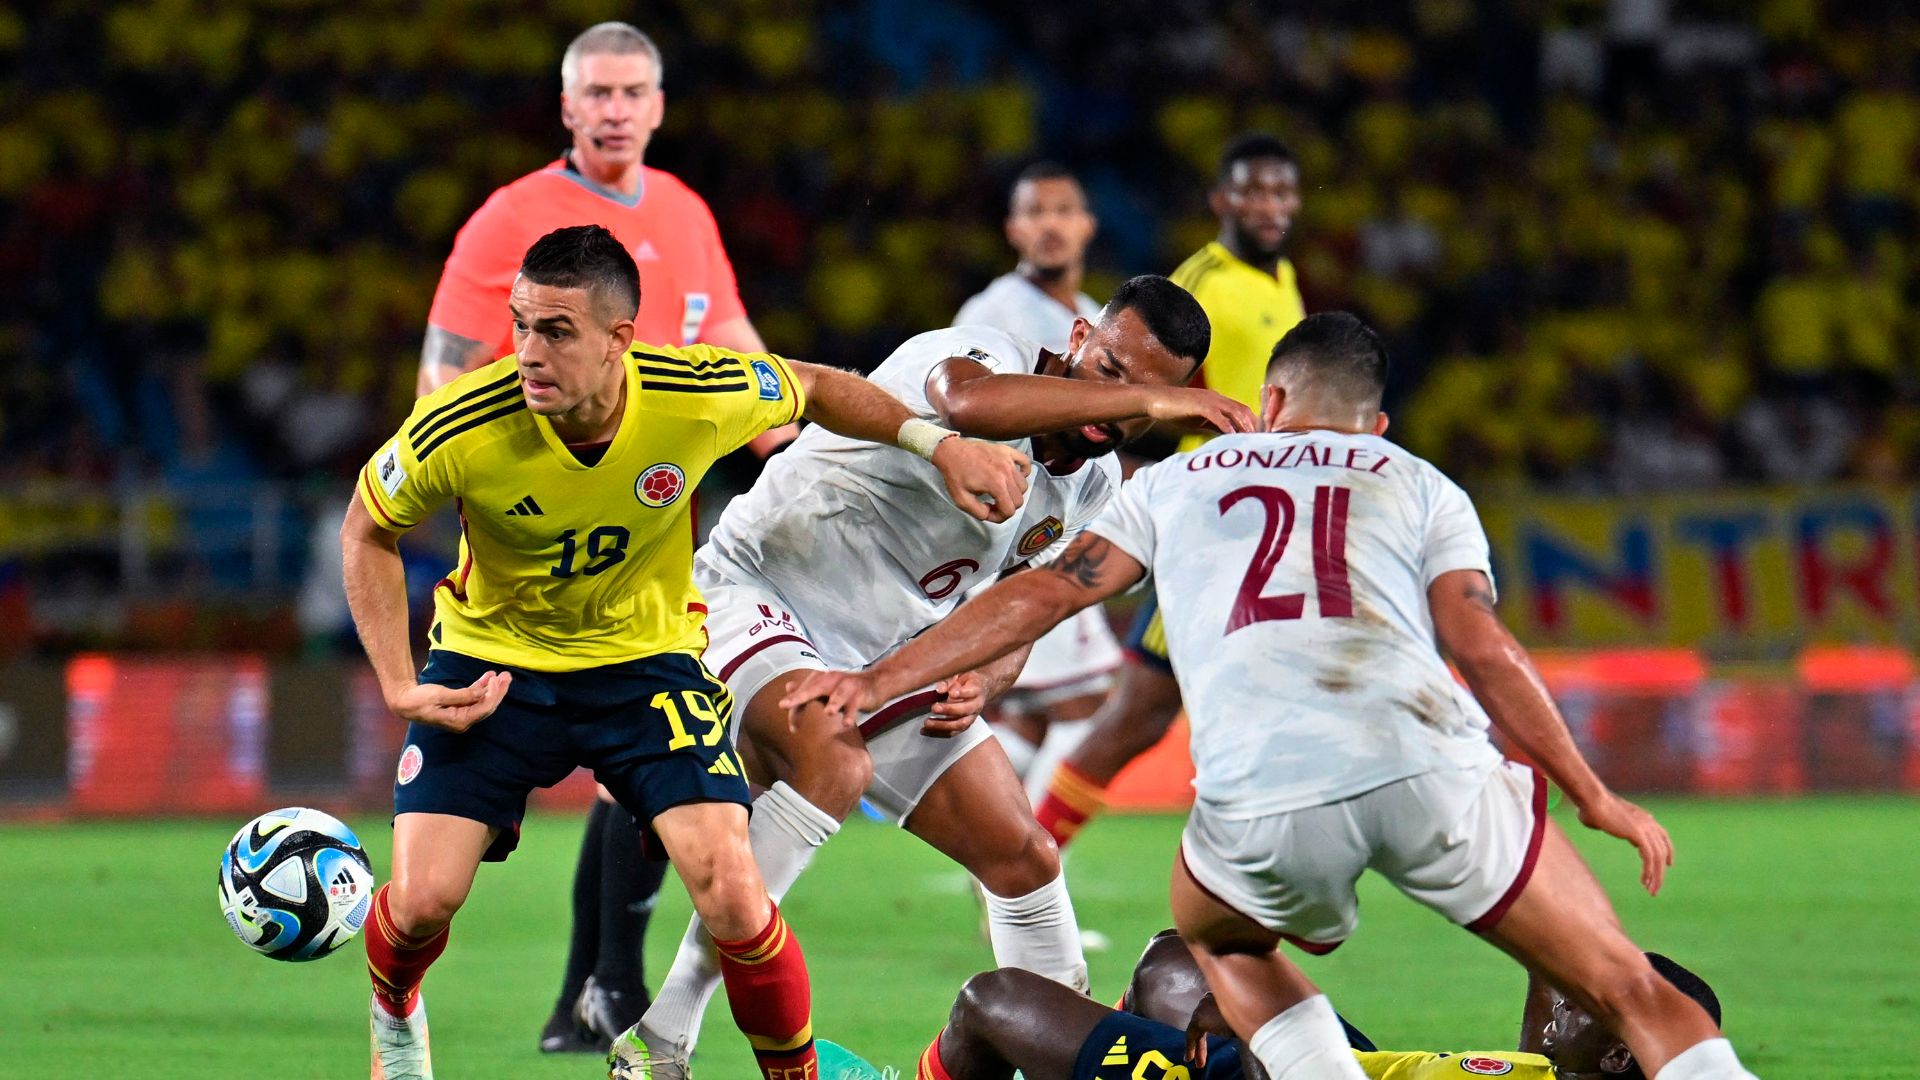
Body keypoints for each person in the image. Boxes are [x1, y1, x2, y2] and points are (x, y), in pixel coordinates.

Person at [785, 313, 1760, 1080]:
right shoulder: (1420, 484)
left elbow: (1041, 595)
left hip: (1264, 792)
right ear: (1376, 429)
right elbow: (1483, 646)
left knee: (1216, 945)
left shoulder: (1179, 481)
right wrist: (1592, 793)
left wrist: (879, 678)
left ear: (1270, 399)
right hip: (1433, 764)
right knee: (1629, 986)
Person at [343, 224, 1028, 1080]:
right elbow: (367, 529)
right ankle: (395, 1010)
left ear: (619, 339)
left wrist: (941, 443)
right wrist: (398, 682)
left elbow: (816, 386)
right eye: (519, 324)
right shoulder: (461, 422)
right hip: (493, 668)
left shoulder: (692, 392)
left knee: (735, 894)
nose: (527, 352)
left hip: (644, 668)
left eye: (555, 331)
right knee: (421, 902)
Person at [614, 276, 1260, 1078]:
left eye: (1146, 393)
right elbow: (966, 401)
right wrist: (1154, 400)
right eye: (1110, 370)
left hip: (888, 657)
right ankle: (662, 1034)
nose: (1118, 405)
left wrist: (986, 677)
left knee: (1023, 854)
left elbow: (1024, 607)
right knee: (833, 762)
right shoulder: (980, 352)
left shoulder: (1094, 488)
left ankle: (1058, 1057)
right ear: (1078, 337)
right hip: (756, 593)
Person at [416, 23, 791, 1050]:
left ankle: (598, 990)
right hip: (540, 536)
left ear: (659, 107)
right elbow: (442, 373)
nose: (616, 109)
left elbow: (734, 341)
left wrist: (793, 453)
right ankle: (596, 985)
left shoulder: (685, 212)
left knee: (644, 757)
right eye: (598, 92)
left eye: (632, 92)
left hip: (652, 520)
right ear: (567, 107)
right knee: (617, 754)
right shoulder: (512, 219)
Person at [1031, 133, 1307, 854]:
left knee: (1186, 706)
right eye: (1253, 191)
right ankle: (1029, 856)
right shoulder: (1202, 283)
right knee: (1143, 709)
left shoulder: (1283, 280)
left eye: (1281, 191)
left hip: (1263, 521)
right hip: (1213, 521)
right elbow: (1145, 401)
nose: (1269, 206)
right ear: (1222, 200)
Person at [915, 929, 1725, 1080]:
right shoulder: (1556, 1071)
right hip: (1346, 1060)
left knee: (991, 999)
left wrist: (1256, 1024)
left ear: (1621, 1051)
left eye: (1592, 1000)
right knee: (1176, 959)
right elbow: (1548, 1028)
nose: (1569, 996)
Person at [952, 161, 1122, 807]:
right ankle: (1041, 855)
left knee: (1030, 718)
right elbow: (965, 411)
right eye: (1035, 212)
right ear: (1012, 229)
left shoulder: (1093, 317)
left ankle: (994, 849)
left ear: (1088, 225)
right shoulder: (991, 309)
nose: (1051, 225)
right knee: (1088, 703)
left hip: (1057, 520)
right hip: (1010, 522)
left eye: (1063, 210)